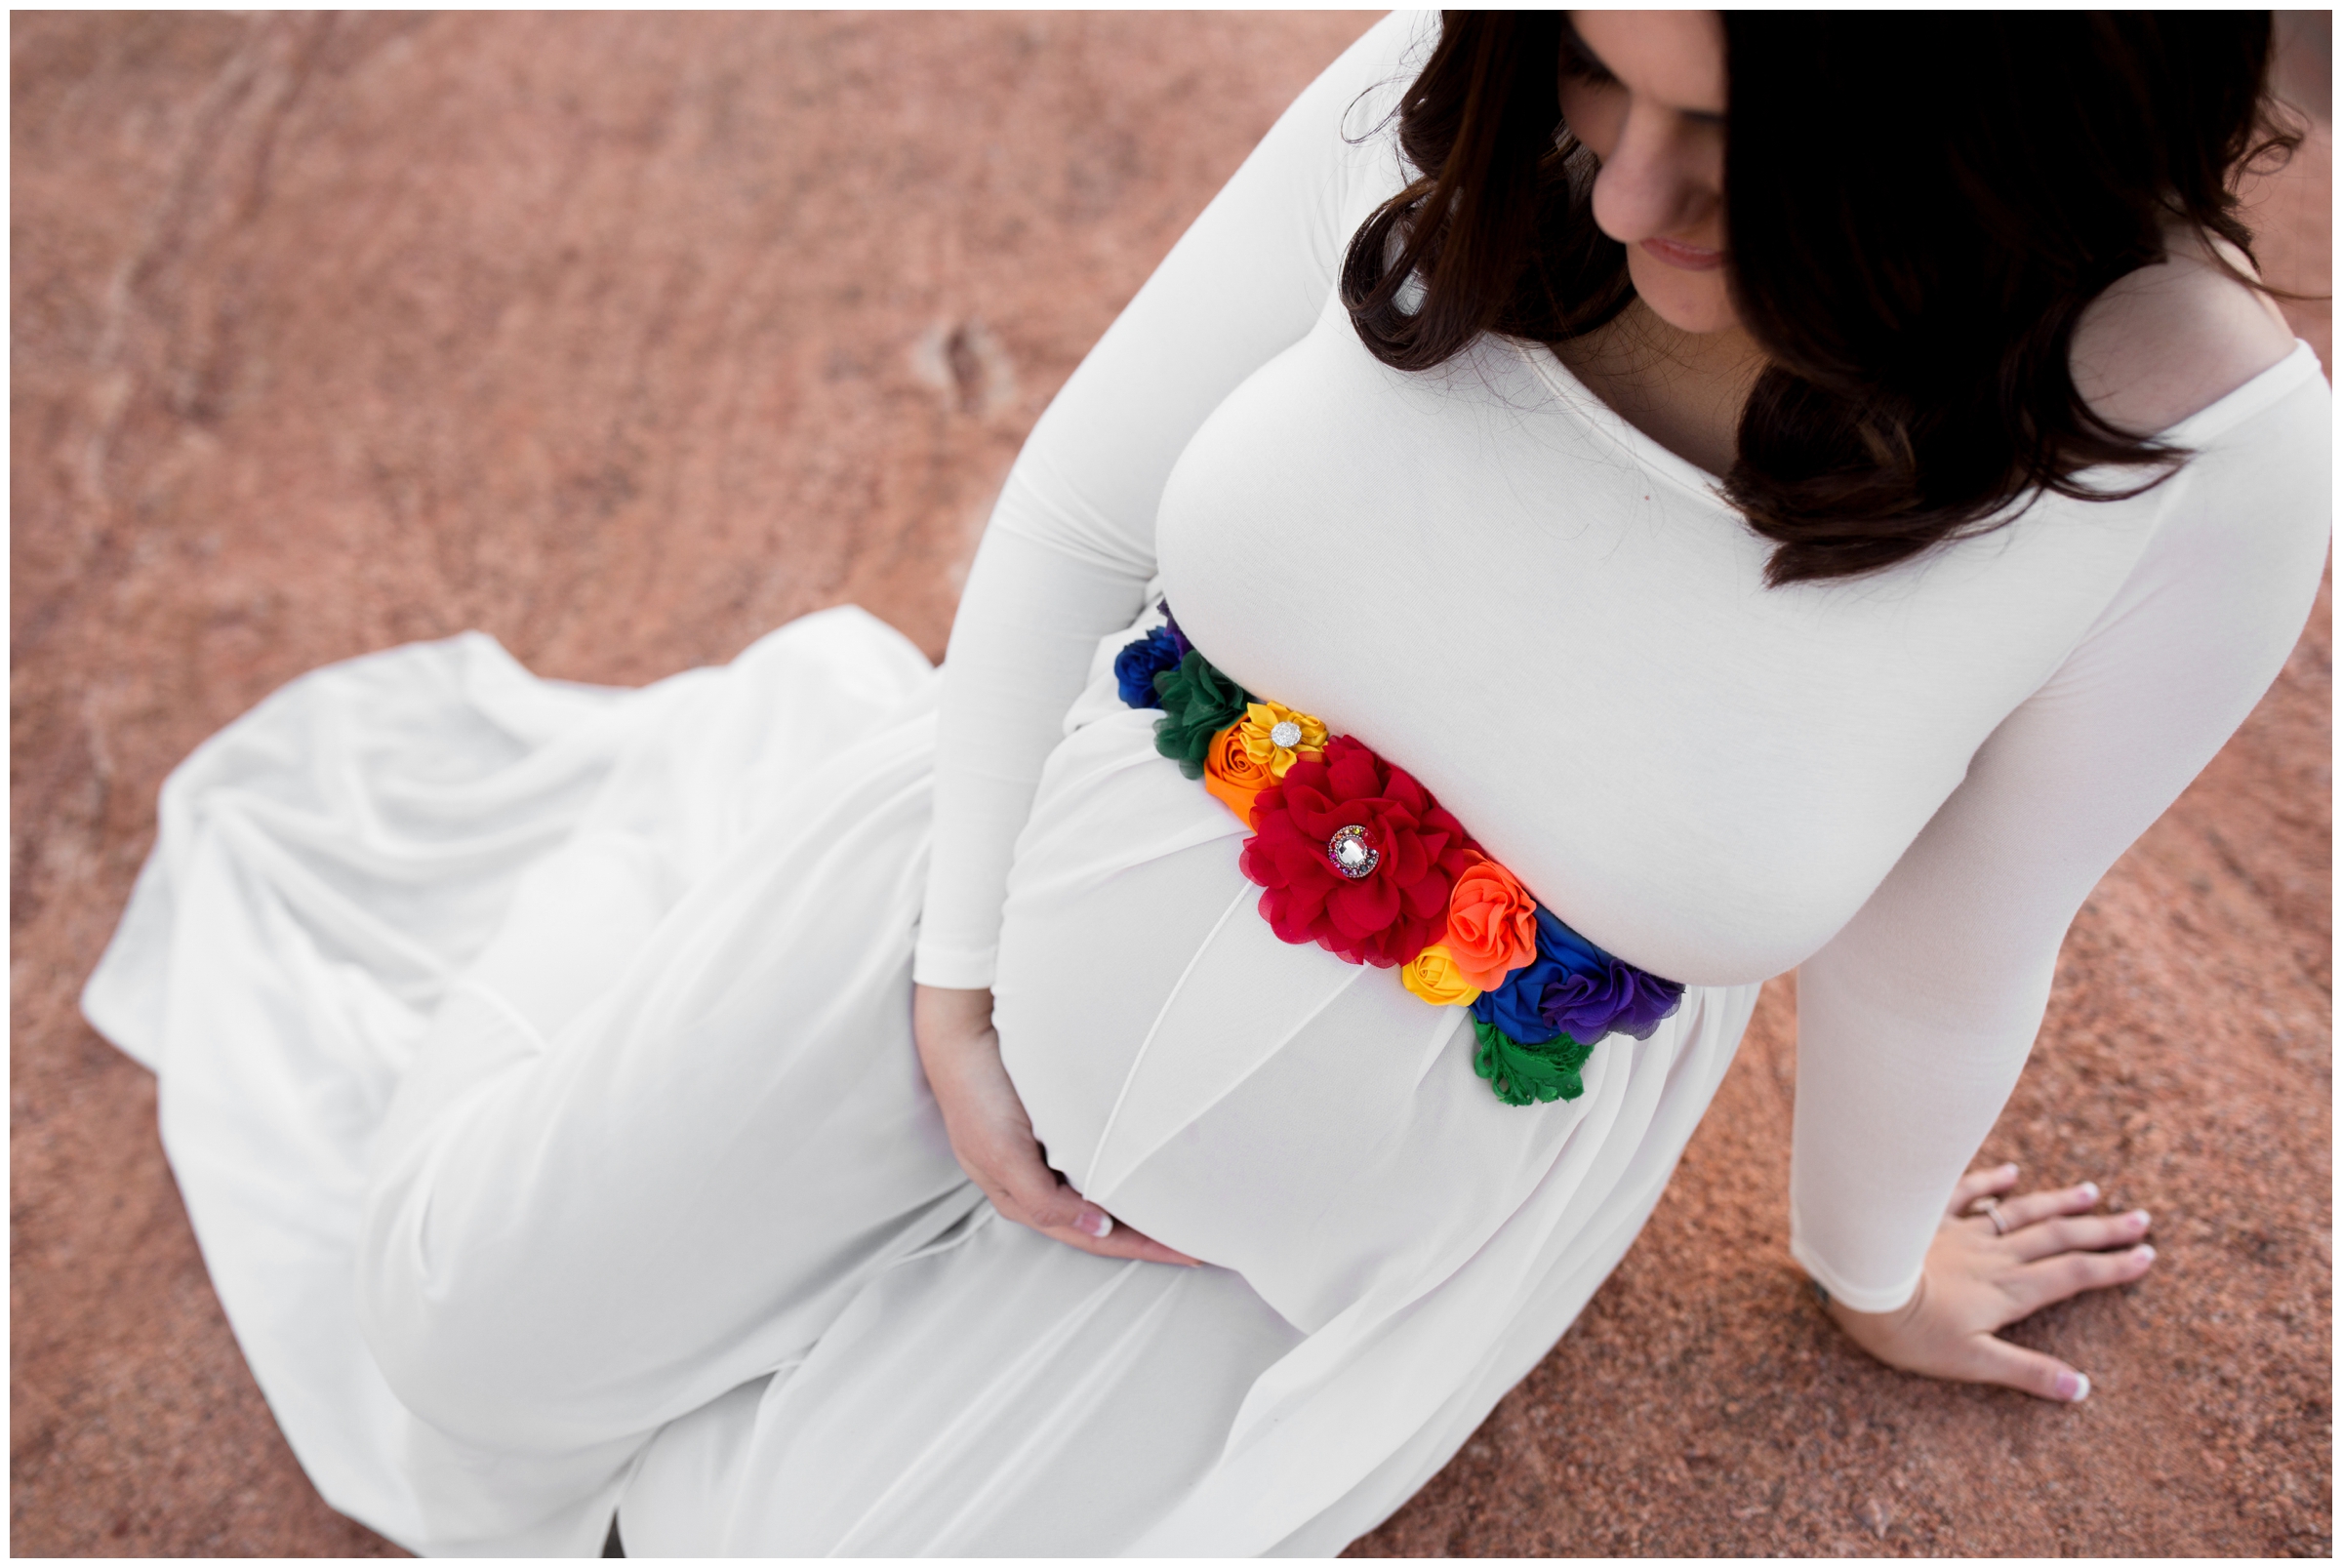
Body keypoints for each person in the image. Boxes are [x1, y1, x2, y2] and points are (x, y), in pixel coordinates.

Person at [81, 9, 2327, 1557]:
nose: (1629, 187)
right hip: (1001, 886)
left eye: (1740, 149)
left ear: (2000, 132)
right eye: (1593, 73)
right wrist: (958, 975)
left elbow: (1959, 934)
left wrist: (1863, 1273)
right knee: (455, 1333)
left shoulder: (2195, 453)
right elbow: (1082, 510)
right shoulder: (1481, 103)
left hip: (1339, 1214)